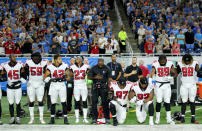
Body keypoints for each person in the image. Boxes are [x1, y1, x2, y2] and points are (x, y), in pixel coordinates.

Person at [43, 54, 69, 124]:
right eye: (59, 59)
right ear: (55, 59)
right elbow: (44, 77)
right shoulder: (50, 67)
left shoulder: (64, 65)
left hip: (61, 85)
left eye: (61, 59)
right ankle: (52, 119)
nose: (61, 60)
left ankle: (65, 119)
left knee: (63, 102)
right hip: (53, 85)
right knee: (53, 103)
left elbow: (69, 76)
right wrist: (51, 79)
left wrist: (64, 78)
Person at [150, 55, 177, 125]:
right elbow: (152, 74)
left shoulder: (170, 64)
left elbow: (175, 74)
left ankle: (168, 119)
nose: (162, 63)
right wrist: (153, 83)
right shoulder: (155, 64)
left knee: (167, 101)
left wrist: (171, 77)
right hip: (158, 85)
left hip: (167, 85)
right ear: (158, 60)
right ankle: (157, 119)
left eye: (163, 61)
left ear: (166, 60)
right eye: (161, 61)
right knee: (158, 101)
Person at [1, 54, 26, 124]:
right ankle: (12, 118)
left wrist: (19, 80)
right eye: (13, 56)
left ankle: (17, 118)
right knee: (11, 103)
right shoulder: (5, 65)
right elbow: (2, 74)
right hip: (9, 87)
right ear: (9, 58)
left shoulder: (20, 65)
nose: (15, 58)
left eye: (15, 56)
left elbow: (24, 75)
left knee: (18, 103)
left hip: (18, 87)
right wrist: (3, 78)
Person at [24, 52, 48, 124]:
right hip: (31, 83)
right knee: (31, 101)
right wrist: (27, 79)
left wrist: (45, 78)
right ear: (32, 58)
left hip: (40, 83)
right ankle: (32, 118)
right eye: (35, 57)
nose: (36, 58)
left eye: (38, 57)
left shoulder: (44, 62)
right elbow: (25, 71)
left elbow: (46, 71)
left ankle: (41, 118)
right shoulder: (28, 62)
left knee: (40, 100)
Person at [176, 54, 200, 124]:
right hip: (184, 85)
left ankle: (193, 118)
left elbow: (199, 72)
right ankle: (182, 118)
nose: (187, 62)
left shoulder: (195, 64)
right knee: (184, 101)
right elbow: (176, 73)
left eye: (188, 61)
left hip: (192, 85)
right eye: (185, 61)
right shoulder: (180, 64)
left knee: (192, 101)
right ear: (183, 60)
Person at [88, 58, 112, 124]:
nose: (100, 63)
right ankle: (94, 118)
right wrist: (95, 77)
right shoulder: (93, 68)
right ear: (98, 62)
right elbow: (88, 77)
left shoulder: (107, 68)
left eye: (102, 62)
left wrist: (109, 87)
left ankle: (107, 118)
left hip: (104, 87)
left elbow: (109, 78)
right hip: (95, 87)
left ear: (103, 62)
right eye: (99, 62)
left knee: (105, 103)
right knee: (94, 103)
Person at [69, 56, 90, 123]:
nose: (77, 60)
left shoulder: (86, 66)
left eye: (78, 59)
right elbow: (69, 75)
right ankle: (77, 118)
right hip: (76, 85)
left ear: (81, 60)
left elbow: (89, 74)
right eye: (76, 59)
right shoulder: (72, 67)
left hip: (83, 85)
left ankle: (85, 118)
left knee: (84, 101)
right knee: (76, 101)